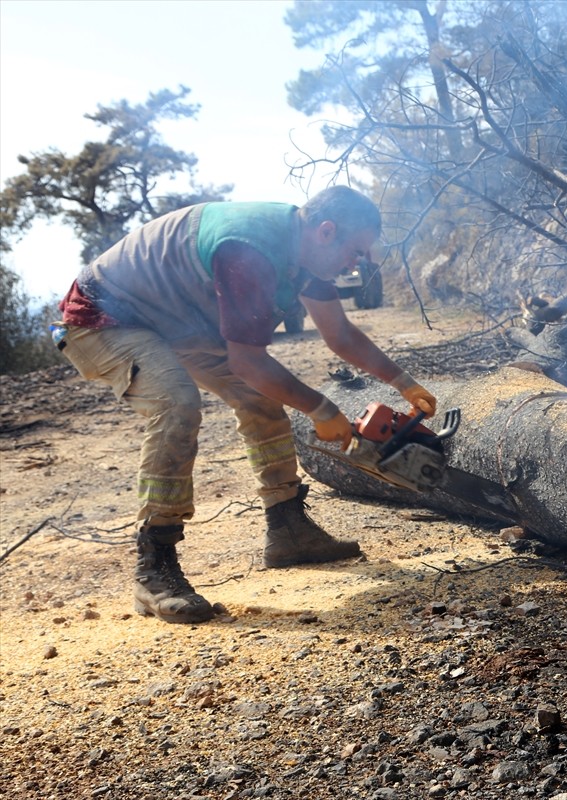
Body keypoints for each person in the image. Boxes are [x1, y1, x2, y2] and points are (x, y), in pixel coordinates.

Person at [53, 186, 436, 624]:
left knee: (261, 394)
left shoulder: (303, 252)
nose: (357, 263)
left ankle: (288, 528)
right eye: (356, 251)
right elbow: (247, 361)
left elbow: (340, 334)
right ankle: (154, 566)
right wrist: (322, 409)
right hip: (102, 319)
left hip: (171, 322)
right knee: (177, 403)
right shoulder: (249, 248)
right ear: (327, 231)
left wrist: (403, 383)